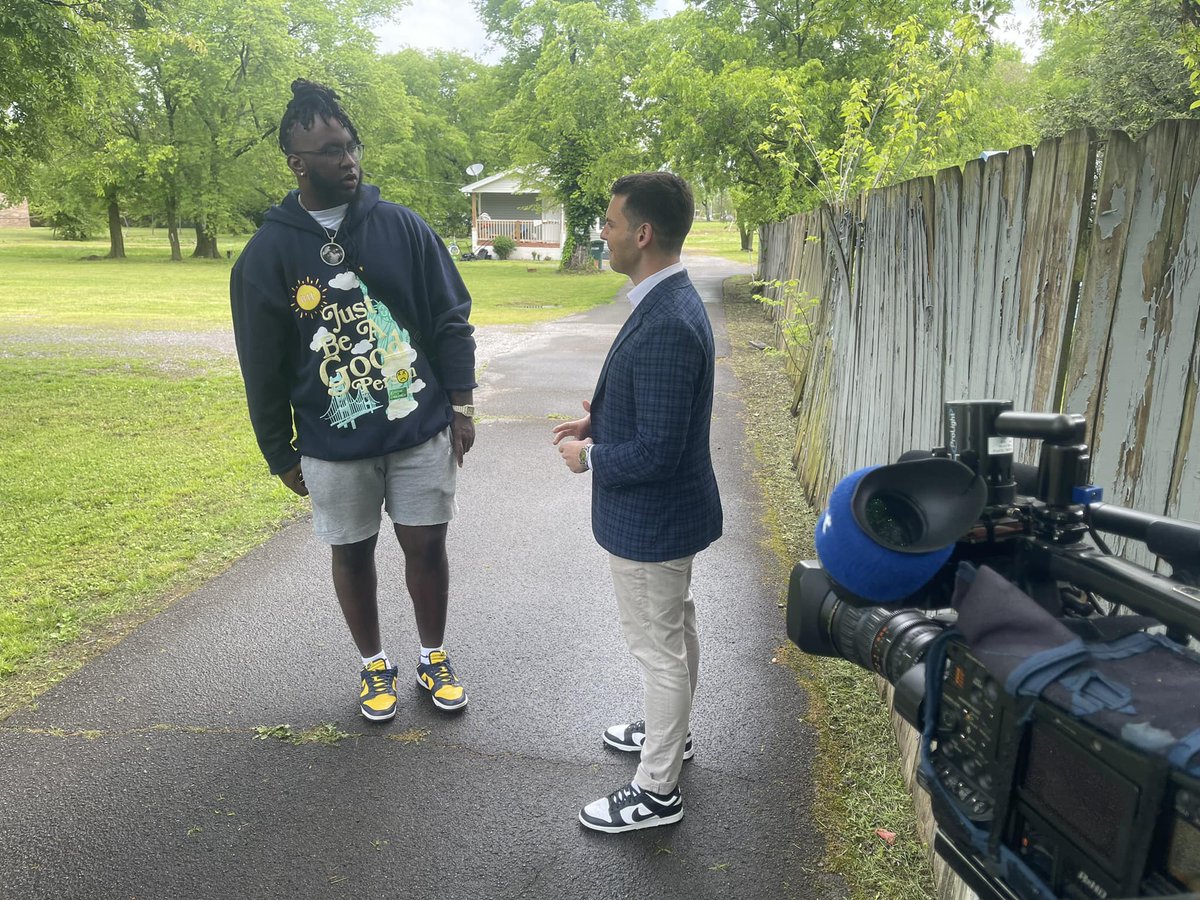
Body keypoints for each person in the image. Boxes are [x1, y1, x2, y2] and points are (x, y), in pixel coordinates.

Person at [230, 79, 477, 721]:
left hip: (418, 426)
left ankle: (433, 655)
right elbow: (260, 362)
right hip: (332, 442)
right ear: (297, 162)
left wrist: (461, 401)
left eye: (351, 146)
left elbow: (451, 316)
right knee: (352, 552)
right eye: (330, 150)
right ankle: (374, 667)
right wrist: (277, 450)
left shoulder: (402, 226)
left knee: (426, 544)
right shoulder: (267, 255)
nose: (348, 160)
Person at [552, 172, 723, 832]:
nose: (604, 232)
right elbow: (658, 414)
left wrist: (588, 456)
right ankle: (667, 736)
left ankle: (657, 790)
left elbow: (658, 450)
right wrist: (602, 420)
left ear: (643, 234)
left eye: (611, 223)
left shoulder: (669, 322)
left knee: (658, 646)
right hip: (666, 518)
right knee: (673, 628)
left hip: (654, 520)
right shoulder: (663, 301)